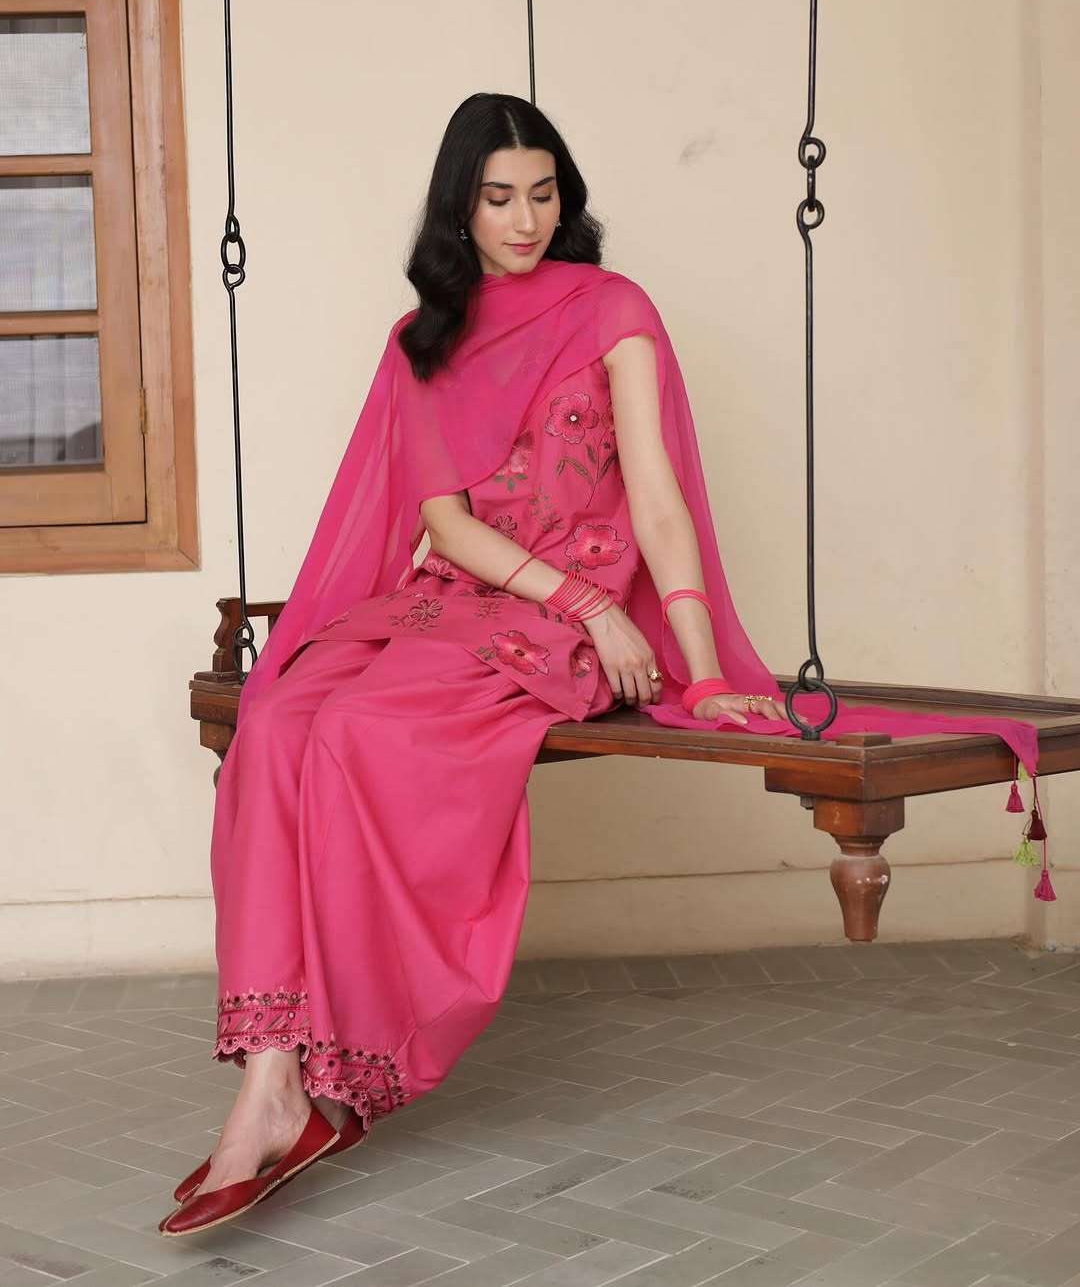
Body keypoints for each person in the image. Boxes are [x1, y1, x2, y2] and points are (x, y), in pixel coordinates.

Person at [160, 93, 1038, 1237]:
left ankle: (323, 1071)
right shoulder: (426, 332)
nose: (525, 219)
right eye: (498, 196)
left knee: (361, 733)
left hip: (577, 617)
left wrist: (699, 655)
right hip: (474, 592)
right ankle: (275, 1078)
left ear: (565, 198)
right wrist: (561, 591)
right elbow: (446, 521)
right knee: (279, 718)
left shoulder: (612, 307)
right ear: (458, 208)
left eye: (544, 192)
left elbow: (659, 498)